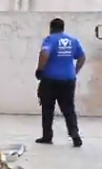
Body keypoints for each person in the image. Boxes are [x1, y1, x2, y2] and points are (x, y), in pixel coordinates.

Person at [35, 18, 86, 147]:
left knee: (47, 108)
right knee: (69, 108)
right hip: (68, 79)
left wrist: (40, 69)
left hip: (50, 79)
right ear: (63, 28)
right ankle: (75, 135)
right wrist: (75, 71)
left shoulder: (50, 39)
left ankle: (47, 136)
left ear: (51, 28)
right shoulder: (73, 41)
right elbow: (82, 57)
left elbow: (44, 53)